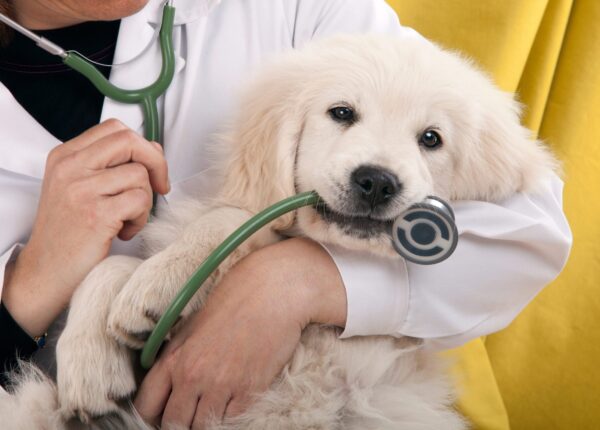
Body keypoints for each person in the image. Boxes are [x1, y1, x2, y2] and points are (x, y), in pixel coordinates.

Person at [0, 0, 572, 428]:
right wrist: (32, 287)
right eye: (342, 113)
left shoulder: (296, 8)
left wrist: (296, 283)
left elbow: (526, 226)